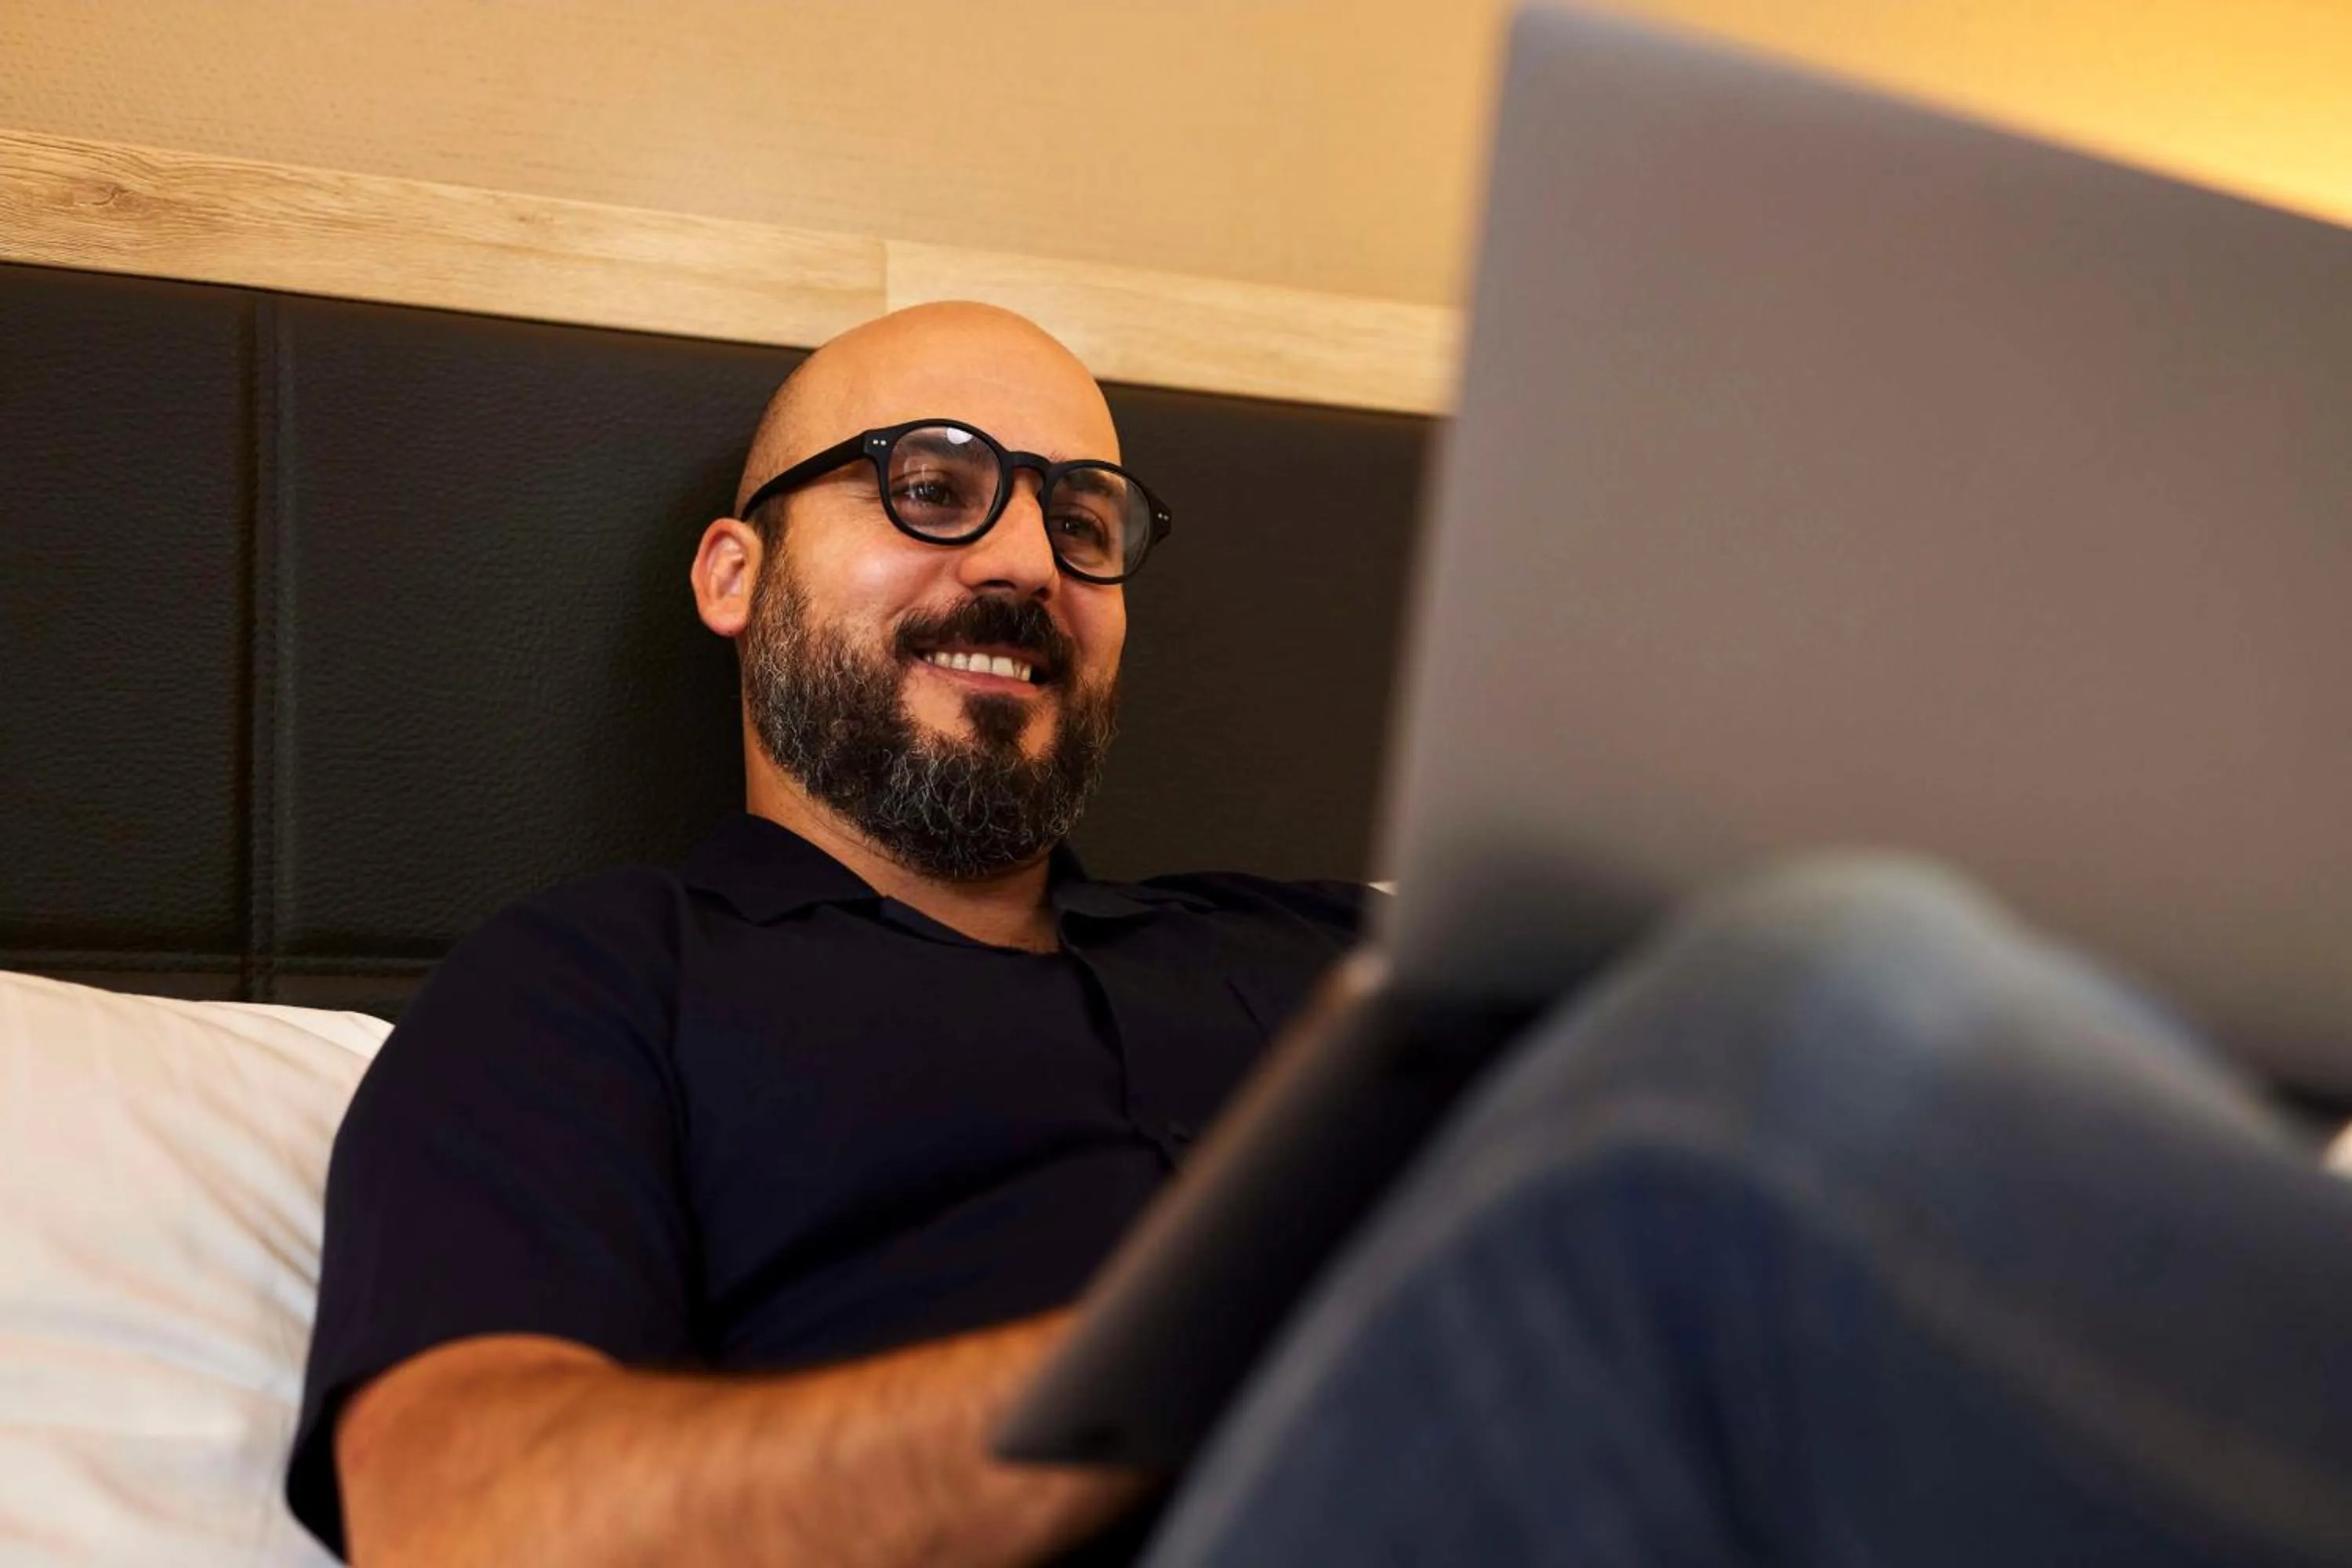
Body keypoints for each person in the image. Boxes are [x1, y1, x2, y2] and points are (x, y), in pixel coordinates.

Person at [291, 303, 2352, 1568]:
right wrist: (1212, 1342)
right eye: (932, 487)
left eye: (1082, 521)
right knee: (1804, 983)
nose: (1022, 555)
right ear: (736, 573)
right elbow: (474, 1527)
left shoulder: (1321, 954)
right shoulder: (590, 987)